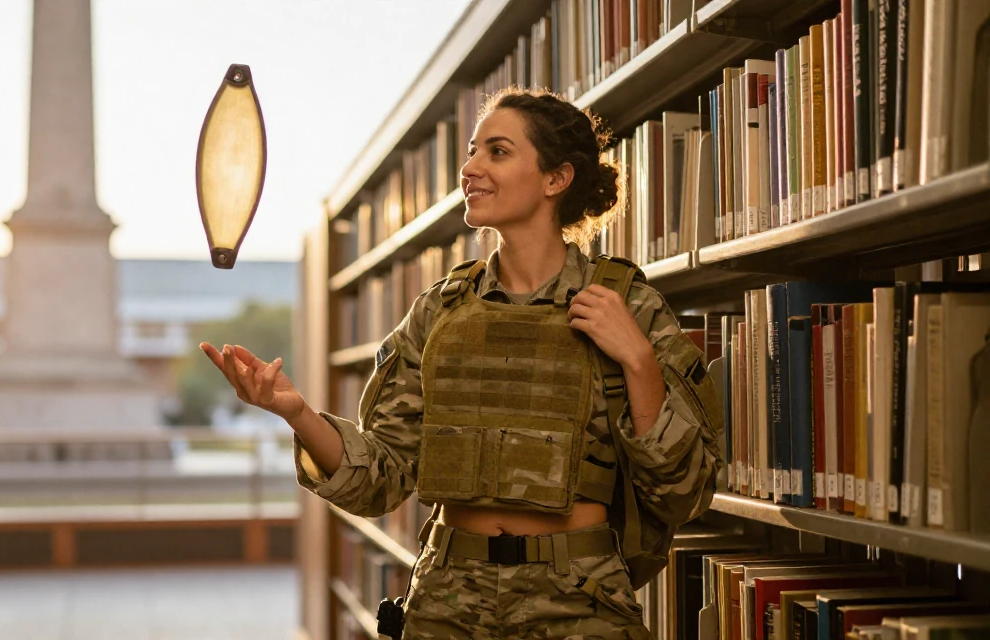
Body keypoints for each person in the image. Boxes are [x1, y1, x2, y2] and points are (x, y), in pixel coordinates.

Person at [201, 86, 722, 640]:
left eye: (497, 151)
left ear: (556, 178)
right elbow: (379, 482)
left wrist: (639, 362)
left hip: (580, 597)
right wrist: (295, 411)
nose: (469, 168)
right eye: (472, 151)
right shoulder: (439, 312)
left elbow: (683, 494)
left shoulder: (628, 306)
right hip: (447, 596)